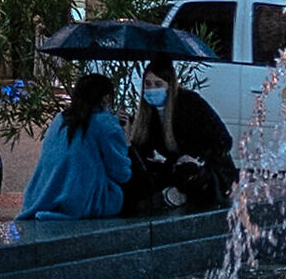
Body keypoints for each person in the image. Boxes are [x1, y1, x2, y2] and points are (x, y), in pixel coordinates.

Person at [125, 58, 236, 210]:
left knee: (187, 171)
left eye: (158, 84)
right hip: (177, 169)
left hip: (210, 171)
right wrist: (127, 138)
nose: (151, 89)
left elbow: (224, 140)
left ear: (170, 86)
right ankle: (168, 196)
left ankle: (176, 196)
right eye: (148, 84)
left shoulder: (190, 102)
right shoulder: (149, 113)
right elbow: (143, 151)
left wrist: (197, 158)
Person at [20, 73, 133, 220]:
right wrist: (125, 139)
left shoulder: (60, 119)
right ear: (105, 98)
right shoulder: (106, 124)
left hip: (41, 196)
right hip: (84, 201)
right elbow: (121, 173)